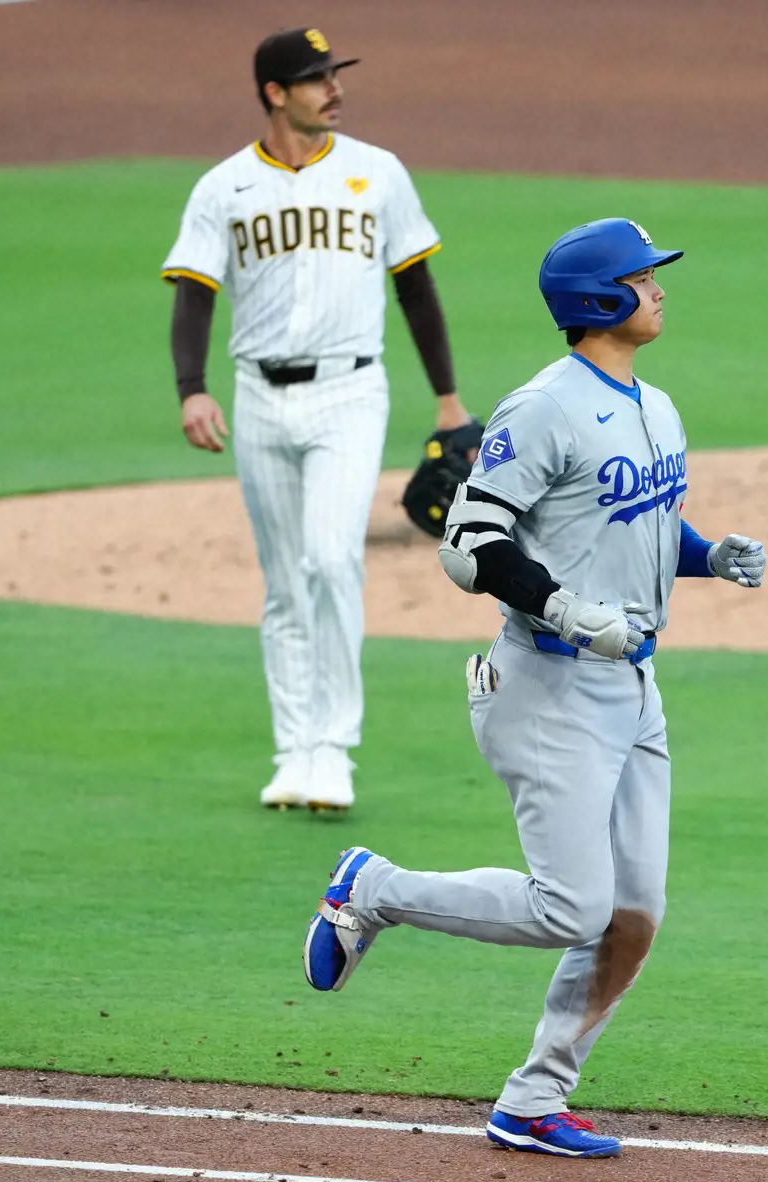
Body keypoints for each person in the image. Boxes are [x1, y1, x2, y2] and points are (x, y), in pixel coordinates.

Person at [302, 219, 768, 1157]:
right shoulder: (542, 408)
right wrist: (564, 611)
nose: (660, 288)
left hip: (634, 691)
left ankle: (533, 1098)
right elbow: (471, 546)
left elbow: (638, 525)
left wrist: (708, 555)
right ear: (601, 299)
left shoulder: (656, 405)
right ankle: (374, 890)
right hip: (547, 689)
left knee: (634, 917)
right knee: (573, 909)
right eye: (645, 276)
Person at [161, 27, 469, 811]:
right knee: (283, 582)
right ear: (274, 93)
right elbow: (195, 292)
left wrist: (446, 396)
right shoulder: (224, 189)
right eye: (315, 79)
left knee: (331, 560)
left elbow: (415, 289)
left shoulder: (378, 173)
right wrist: (192, 388)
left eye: (334, 75)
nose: (333, 89)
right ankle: (292, 748)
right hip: (259, 397)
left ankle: (333, 748)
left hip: (349, 394)